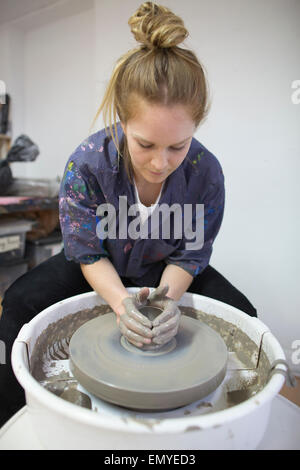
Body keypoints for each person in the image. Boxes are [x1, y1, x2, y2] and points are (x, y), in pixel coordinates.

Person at [0, 1, 257, 428]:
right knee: (19, 303)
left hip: (165, 268)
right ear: (122, 121)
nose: (160, 163)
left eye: (178, 145)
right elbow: (84, 251)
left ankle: (226, 423)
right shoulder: (86, 164)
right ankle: (11, 419)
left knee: (244, 315)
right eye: (145, 144)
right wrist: (121, 303)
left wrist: (166, 300)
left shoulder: (205, 173)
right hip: (100, 264)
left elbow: (191, 255)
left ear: (196, 127)